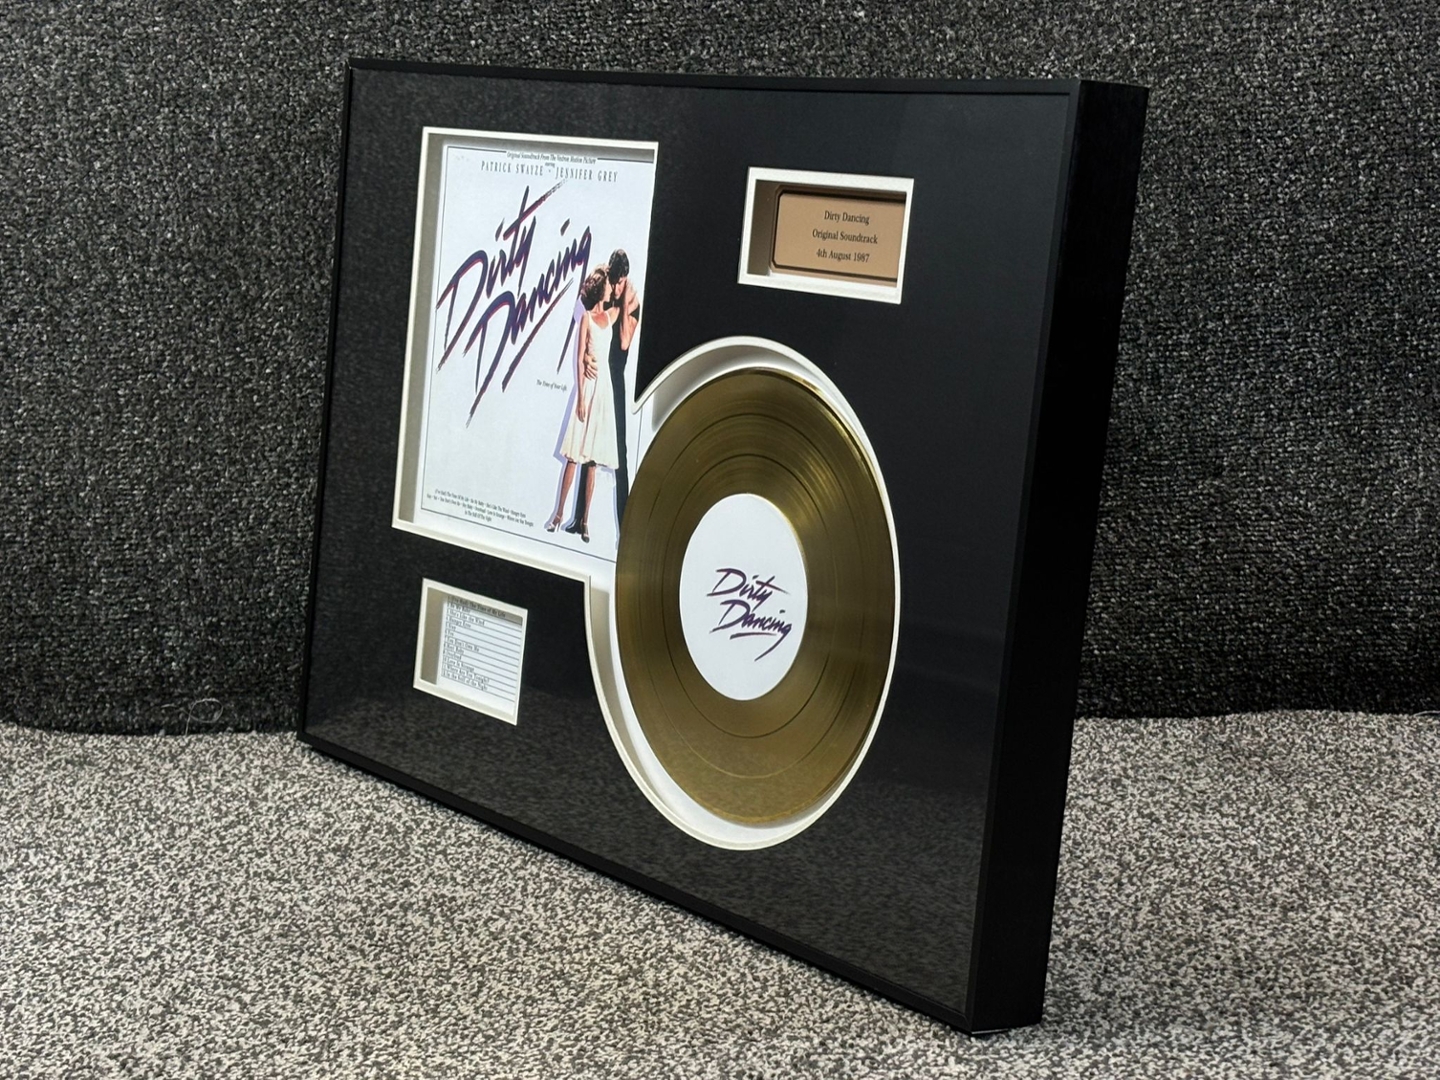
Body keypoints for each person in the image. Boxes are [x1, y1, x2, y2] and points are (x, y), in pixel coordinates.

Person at [544, 268, 617, 543]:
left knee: (593, 461)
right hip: (587, 390)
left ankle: (585, 521)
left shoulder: (611, 316)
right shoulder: (585, 318)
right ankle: (558, 514)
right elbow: (577, 358)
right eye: (607, 285)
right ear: (600, 289)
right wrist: (582, 398)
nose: (611, 289)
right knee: (574, 456)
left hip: (604, 392)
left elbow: (628, 296)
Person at [571, 248, 641, 533]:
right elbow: (582, 311)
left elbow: (624, 342)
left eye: (620, 282)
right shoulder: (603, 283)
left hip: (615, 381)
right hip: (596, 376)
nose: (615, 287)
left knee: (619, 454)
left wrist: (623, 302)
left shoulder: (631, 299)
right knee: (584, 445)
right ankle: (579, 520)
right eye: (614, 281)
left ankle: (625, 528)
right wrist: (586, 356)